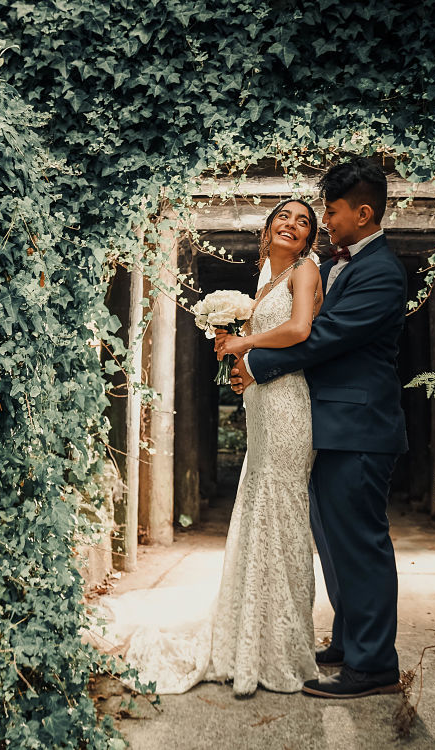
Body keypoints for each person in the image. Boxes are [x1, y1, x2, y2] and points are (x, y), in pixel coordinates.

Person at [122, 199, 322, 697]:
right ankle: (249, 639)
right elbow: (263, 338)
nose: (292, 225)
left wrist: (244, 346)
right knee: (258, 511)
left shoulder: (306, 269)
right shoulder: (261, 278)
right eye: (284, 216)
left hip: (291, 403)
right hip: (261, 400)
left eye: (303, 222)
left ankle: (283, 645)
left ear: (310, 237)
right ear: (268, 226)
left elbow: (300, 331)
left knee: (284, 512)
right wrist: (236, 355)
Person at [227, 157, 407, 699]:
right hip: (328, 422)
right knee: (332, 541)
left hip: (360, 426)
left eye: (331, 211)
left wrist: (255, 364)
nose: (326, 221)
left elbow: (325, 336)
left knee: (360, 543)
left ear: (364, 212)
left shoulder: (382, 272)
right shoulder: (340, 264)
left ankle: (374, 666)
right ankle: (351, 642)